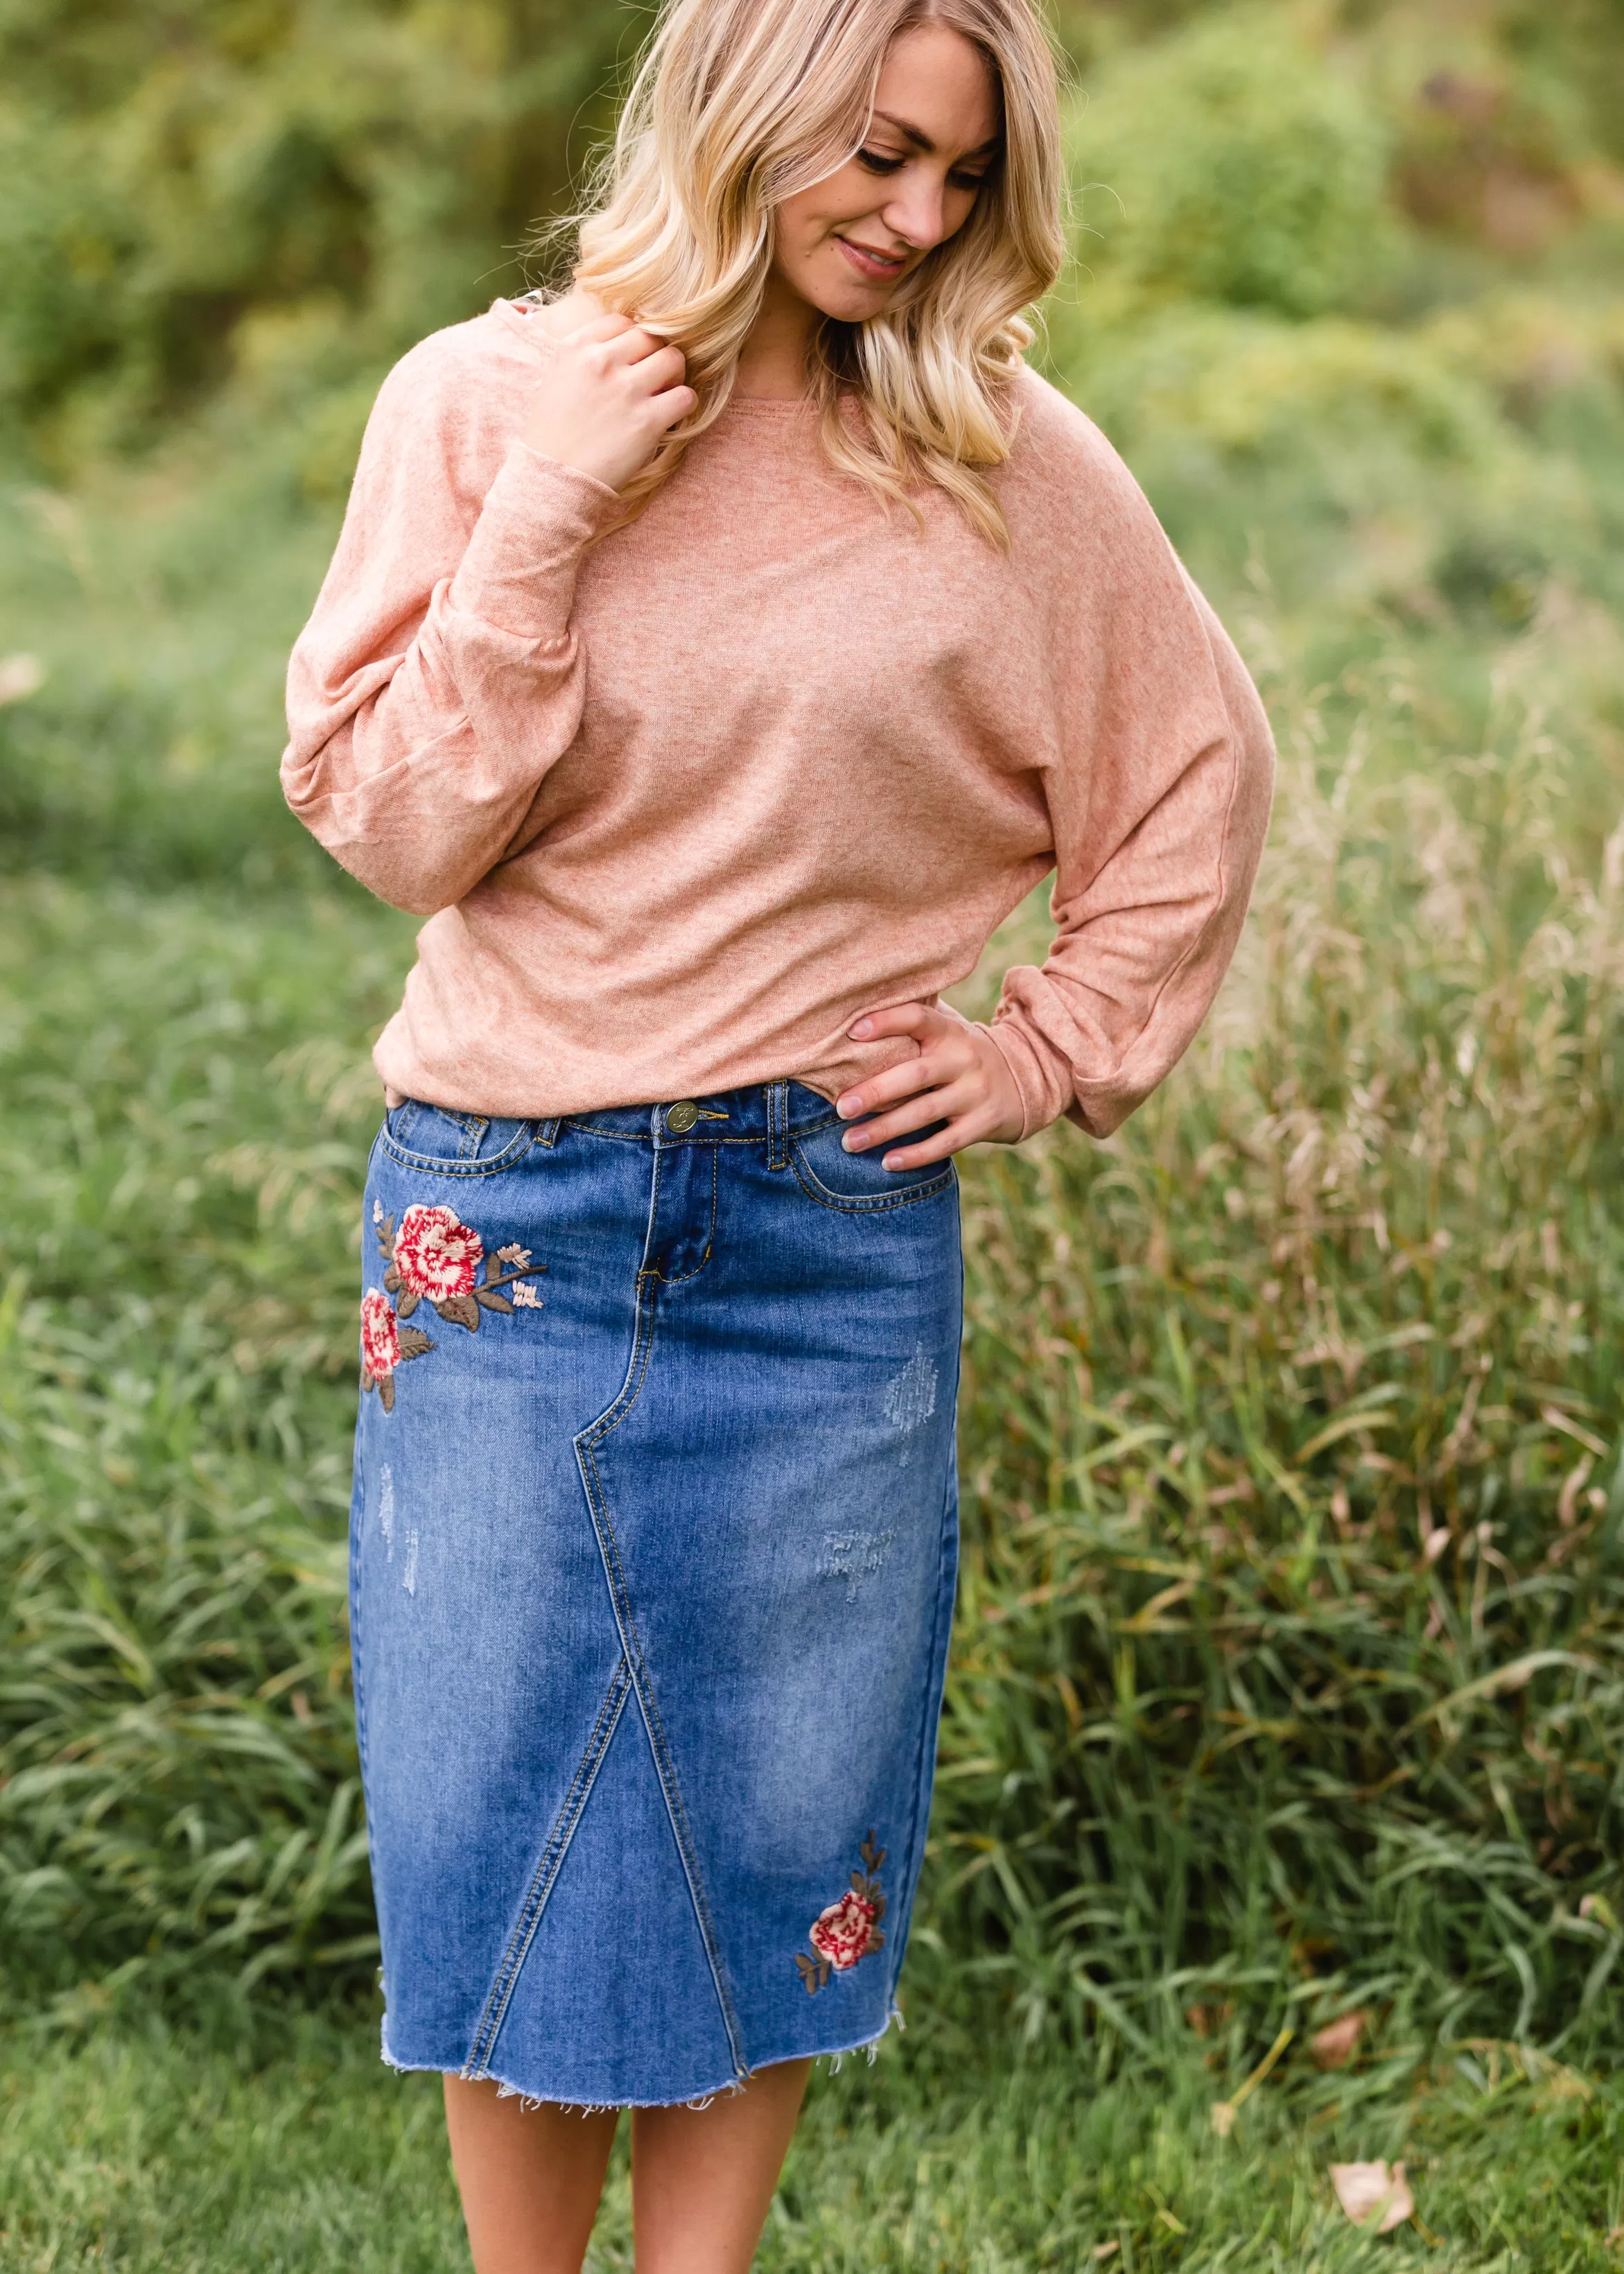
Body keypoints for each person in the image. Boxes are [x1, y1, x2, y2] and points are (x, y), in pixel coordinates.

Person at [281, 0, 1274, 2265]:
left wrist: (1043, 1048)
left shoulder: (997, 455)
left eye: (962, 178)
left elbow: (1192, 777)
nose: (918, 219)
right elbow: (398, 821)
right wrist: (548, 510)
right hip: (508, 1232)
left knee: (777, 1814)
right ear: (740, 102)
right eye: (879, 155)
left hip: (830, 1236)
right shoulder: (476, 404)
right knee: (496, 1803)